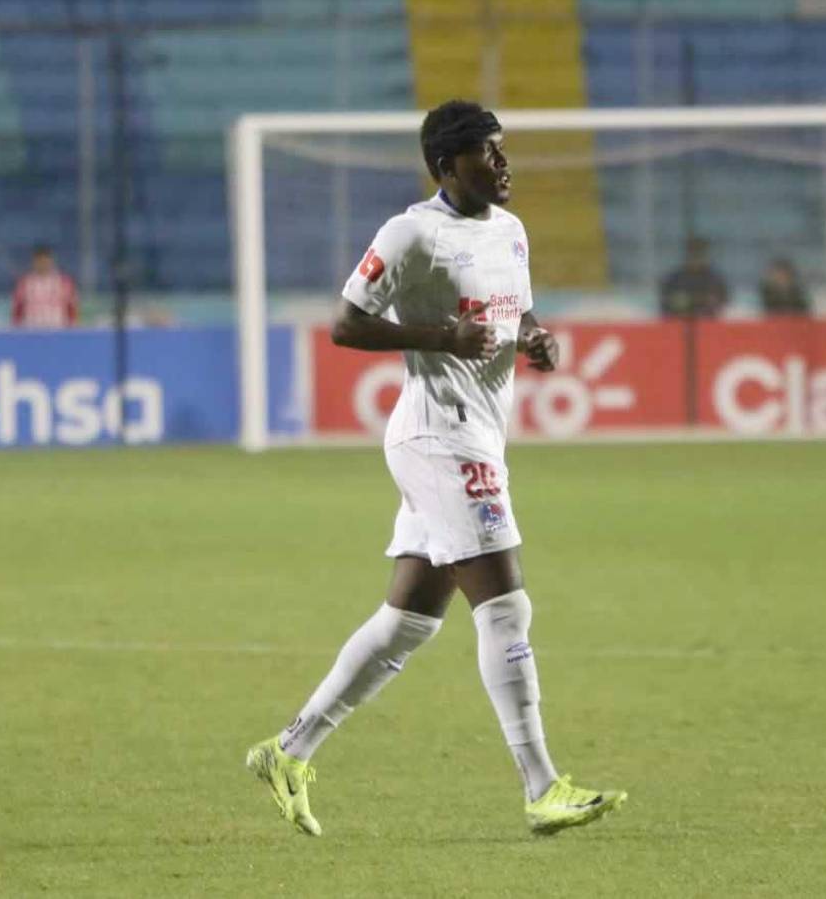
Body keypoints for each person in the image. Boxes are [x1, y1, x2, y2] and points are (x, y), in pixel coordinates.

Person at [246, 100, 627, 837]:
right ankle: (542, 787)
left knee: (408, 622)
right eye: (489, 153)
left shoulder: (510, 232)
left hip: (478, 437)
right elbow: (346, 324)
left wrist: (537, 341)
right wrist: (438, 337)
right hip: (438, 438)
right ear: (448, 166)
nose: (504, 162)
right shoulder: (411, 232)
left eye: (503, 149)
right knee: (506, 606)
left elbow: (516, 316)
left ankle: (286, 751)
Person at [659, 236, 728, 318]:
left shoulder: (714, 280)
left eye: (699, 254)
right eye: (693, 254)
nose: (696, 258)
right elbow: (666, 302)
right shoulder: (674, 280)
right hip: (678, 323)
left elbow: (722, 304)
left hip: (709, 324)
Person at [11, 245, 79, 328]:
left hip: (57, 329)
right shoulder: (25, 283)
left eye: (45, 260)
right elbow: (18, 309)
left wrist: (72, 328)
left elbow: (71, 308)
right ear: (34, 262)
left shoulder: (64, 282)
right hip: (32, 330)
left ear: (51, 261)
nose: (42, 264)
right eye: (39, 261)